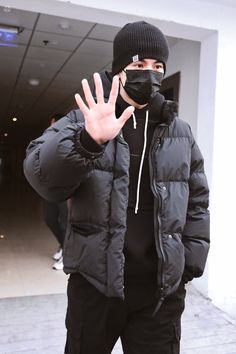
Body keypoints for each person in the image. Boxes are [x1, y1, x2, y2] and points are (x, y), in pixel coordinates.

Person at [24, 21, 210, 354]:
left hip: (159, 294)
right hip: (95, 287)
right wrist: (88, 141)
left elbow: (197, 200)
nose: (149, 74)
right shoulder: (86, 119)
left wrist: (189, 264)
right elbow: (41, 177)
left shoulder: (178, 130)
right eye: (139, 65)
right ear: (119, 69)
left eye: (158, 67)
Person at [43, 113, 68, 270]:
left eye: (53, 124)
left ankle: (68, 254)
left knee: (65, 224)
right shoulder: (50, 140)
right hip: (51, 187)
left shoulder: (69, 138)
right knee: (50, 219)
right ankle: (63, 245)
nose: (51, 127)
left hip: (67, 188)